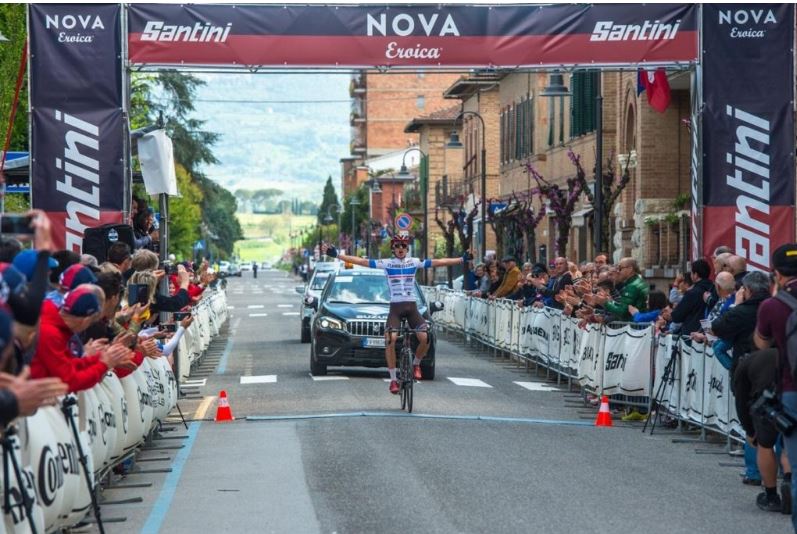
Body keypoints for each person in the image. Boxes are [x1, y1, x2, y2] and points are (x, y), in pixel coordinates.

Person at [323, 235, 467, 394]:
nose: (400, 249)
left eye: (403, 247)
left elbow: (438, 262)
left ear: (407, 249)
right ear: (393, 249)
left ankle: (416, 364)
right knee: (390, 340)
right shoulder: (386, 263)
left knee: (425, 337)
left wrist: (461, 259)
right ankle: (393, 380)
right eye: (397, 246)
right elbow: (362, 262)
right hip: (395, 309)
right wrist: (337, 255)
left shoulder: (414, 262)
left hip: (412, 308)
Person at [754, 243, 797, 524]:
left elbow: (761, 342)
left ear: (777, 274)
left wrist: (774, 296)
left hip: (792, 388)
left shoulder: (773, 305)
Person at [733, 348, 792, 510]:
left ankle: (771, 496)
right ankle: (789, 481)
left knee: (765, 445)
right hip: (791, 395)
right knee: (789, 444)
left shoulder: (746, 363)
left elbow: (741, 401)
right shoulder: (788, 351)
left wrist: (750, 431)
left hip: (766, 401)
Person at [587, 257, 648, 322]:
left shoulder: (633, 285)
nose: (618, 271)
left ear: (630, 269)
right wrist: (605, 303)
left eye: (620, 268)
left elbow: (622, 312)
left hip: (635, 327)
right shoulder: (631, 283)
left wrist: (605, 303)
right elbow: (623, 307)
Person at [670, 259, 713, 336]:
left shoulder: (692, 293)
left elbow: (677, 316)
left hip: (692, 335)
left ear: (695, 275)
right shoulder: (715, 289)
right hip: (710, 334)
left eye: (691, 273)